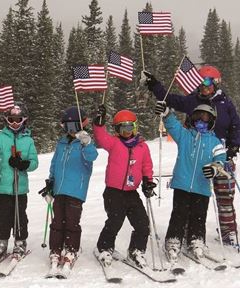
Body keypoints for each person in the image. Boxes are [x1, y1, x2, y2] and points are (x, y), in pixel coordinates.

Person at [142, 66, 240, 246]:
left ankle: (228, 232)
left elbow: (236, 125)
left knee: (225, 197)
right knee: (191, 195)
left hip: (221, 155)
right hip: (195, 156)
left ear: (216, 83)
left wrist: (234, 146)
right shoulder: (192, 101)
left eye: (208, 82)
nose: (204, 86)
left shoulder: (225, 103)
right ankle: (186, 231)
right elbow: (169, 99)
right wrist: (154, 85)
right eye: (200, 82)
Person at [155, 102, 226, 261]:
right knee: (179, 214)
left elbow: (221, 160)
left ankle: (196, 240)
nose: (201, 121)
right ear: (192, 120)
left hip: (202, 187)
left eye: (205, 118)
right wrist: (167, 114)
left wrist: (214, 168)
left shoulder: (215, 143)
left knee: (199, 215)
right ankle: (173, 241)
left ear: (212, 121)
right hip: (182, 183)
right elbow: (173, 126)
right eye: (197, 117)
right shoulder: (185, 136)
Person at [93, 105, 156, 269]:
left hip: (131, 192)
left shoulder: (142, 146)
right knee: (115, 221)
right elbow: (101, 137)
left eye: (130, 127)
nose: (127, 131)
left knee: (142, 224)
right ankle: (104, 248)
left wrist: (148, 181)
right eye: (123, 128)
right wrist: (98, 124)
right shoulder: (114, 143)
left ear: (135, 127)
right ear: (117, 130)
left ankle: (136, 251)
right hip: (114, 192)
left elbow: (146, 166)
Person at [39, 106, 98, 271]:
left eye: (74, 127)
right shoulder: (62, 143)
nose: (71, 131)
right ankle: (56, 249)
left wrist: (87, 143)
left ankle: (72, 249)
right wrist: (50, 182)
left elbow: (92, 156)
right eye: (68, 127)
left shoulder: (85, 143)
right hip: (59, 189)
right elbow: (54, 163)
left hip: (76, 190)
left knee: (72, 221)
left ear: (82, 125)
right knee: (57, 221)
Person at [0, 102, 38, 263]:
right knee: (2, 217)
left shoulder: (28, 140)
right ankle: (1, 242)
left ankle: (20, 241)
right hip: (2, 187)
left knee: (20, 216)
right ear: (6, 120)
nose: (14, 123)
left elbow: (34, 162)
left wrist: (24, 164)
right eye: (11, 119)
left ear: (24, 120)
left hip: (19, 188)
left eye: (18, 119)